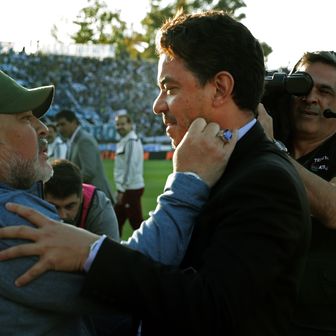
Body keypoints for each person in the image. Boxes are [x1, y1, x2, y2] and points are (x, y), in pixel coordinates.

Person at [0, 11, 311, 336]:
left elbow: (211, 308)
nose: (157, 105)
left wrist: (91, 252)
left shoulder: (265, 180)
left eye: (169, 88)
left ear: (220, 88)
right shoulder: (210, 163)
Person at [0, 68, 235, 335]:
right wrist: (188, 181)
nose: (43, 128)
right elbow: (127, 282)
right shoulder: (10, 217)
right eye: (25, 118)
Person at [258, 50, 336, 336]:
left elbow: (332, 208)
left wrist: (268, 148)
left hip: (317, 318)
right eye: (302, 85)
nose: (311, 98)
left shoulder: (267, 144)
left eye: (326, 91)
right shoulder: (270, 134)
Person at [44, 159, 120, 240]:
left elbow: (111, 251)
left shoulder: (98, 206)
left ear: (81, 196)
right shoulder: (33, 200)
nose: (63, 215)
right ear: (42, 197)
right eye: (54, 207)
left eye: (70, 206)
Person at [55, 109, 115, 204]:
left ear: (74, 122)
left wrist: (68, 184)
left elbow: (88, 171)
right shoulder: (73, 140)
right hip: (89, 196)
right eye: (57, 126)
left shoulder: (84, 140)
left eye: (63, 124)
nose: (60, 129)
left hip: (96, 199)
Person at [114, 114, 145, 234]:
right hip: (128, 188)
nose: (119, 127)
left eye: (122, 124)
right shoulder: (125, 140)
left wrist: (122, 190)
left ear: (130, 125)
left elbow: (129, 168)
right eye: (117, 124)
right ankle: (113, 248)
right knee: (116, 221)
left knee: (136, 223)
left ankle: (148, 249)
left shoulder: (131, 141)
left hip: (130, 189)